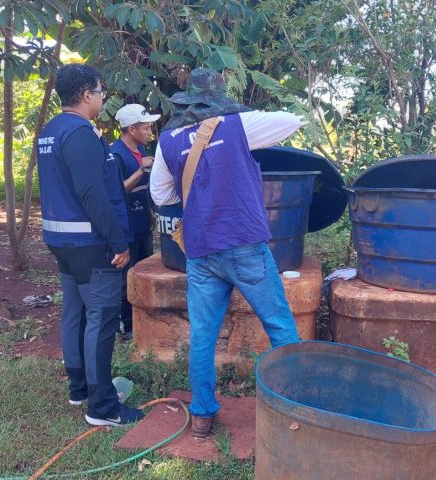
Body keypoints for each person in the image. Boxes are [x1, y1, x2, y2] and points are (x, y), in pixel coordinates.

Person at [150, 68, 302, 438]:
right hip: (244, 244)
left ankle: (202, 416)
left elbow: (161, 195)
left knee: (203, 335)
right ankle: (294, 409)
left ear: (188, 100)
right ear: (220, 98)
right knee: (279, 325)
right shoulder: (237, 125)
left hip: (201, 251)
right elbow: (292, 121)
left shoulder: (168, 139)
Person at [37, 63, 144, 427]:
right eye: (100, 92)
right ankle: (102, 407)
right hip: (89, 242)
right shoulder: (80, 133)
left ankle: (80, 387)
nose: (102, 98)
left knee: (76, 312)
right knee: (101, 318)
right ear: (86, 95)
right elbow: (91, 193)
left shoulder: (51, 131)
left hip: (61, 240)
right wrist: (118, 241)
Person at [110, 104, 161, 336]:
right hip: (125, 225)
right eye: (146, 128)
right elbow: (116, 191)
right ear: (132, 129)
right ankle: (127, 325)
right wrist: (140, 171)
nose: (150, 132)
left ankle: (144, 320)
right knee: (126, 277)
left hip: (142, 222)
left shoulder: (141, 150)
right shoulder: (115, 155)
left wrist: (150, 211)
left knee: (144, 270)